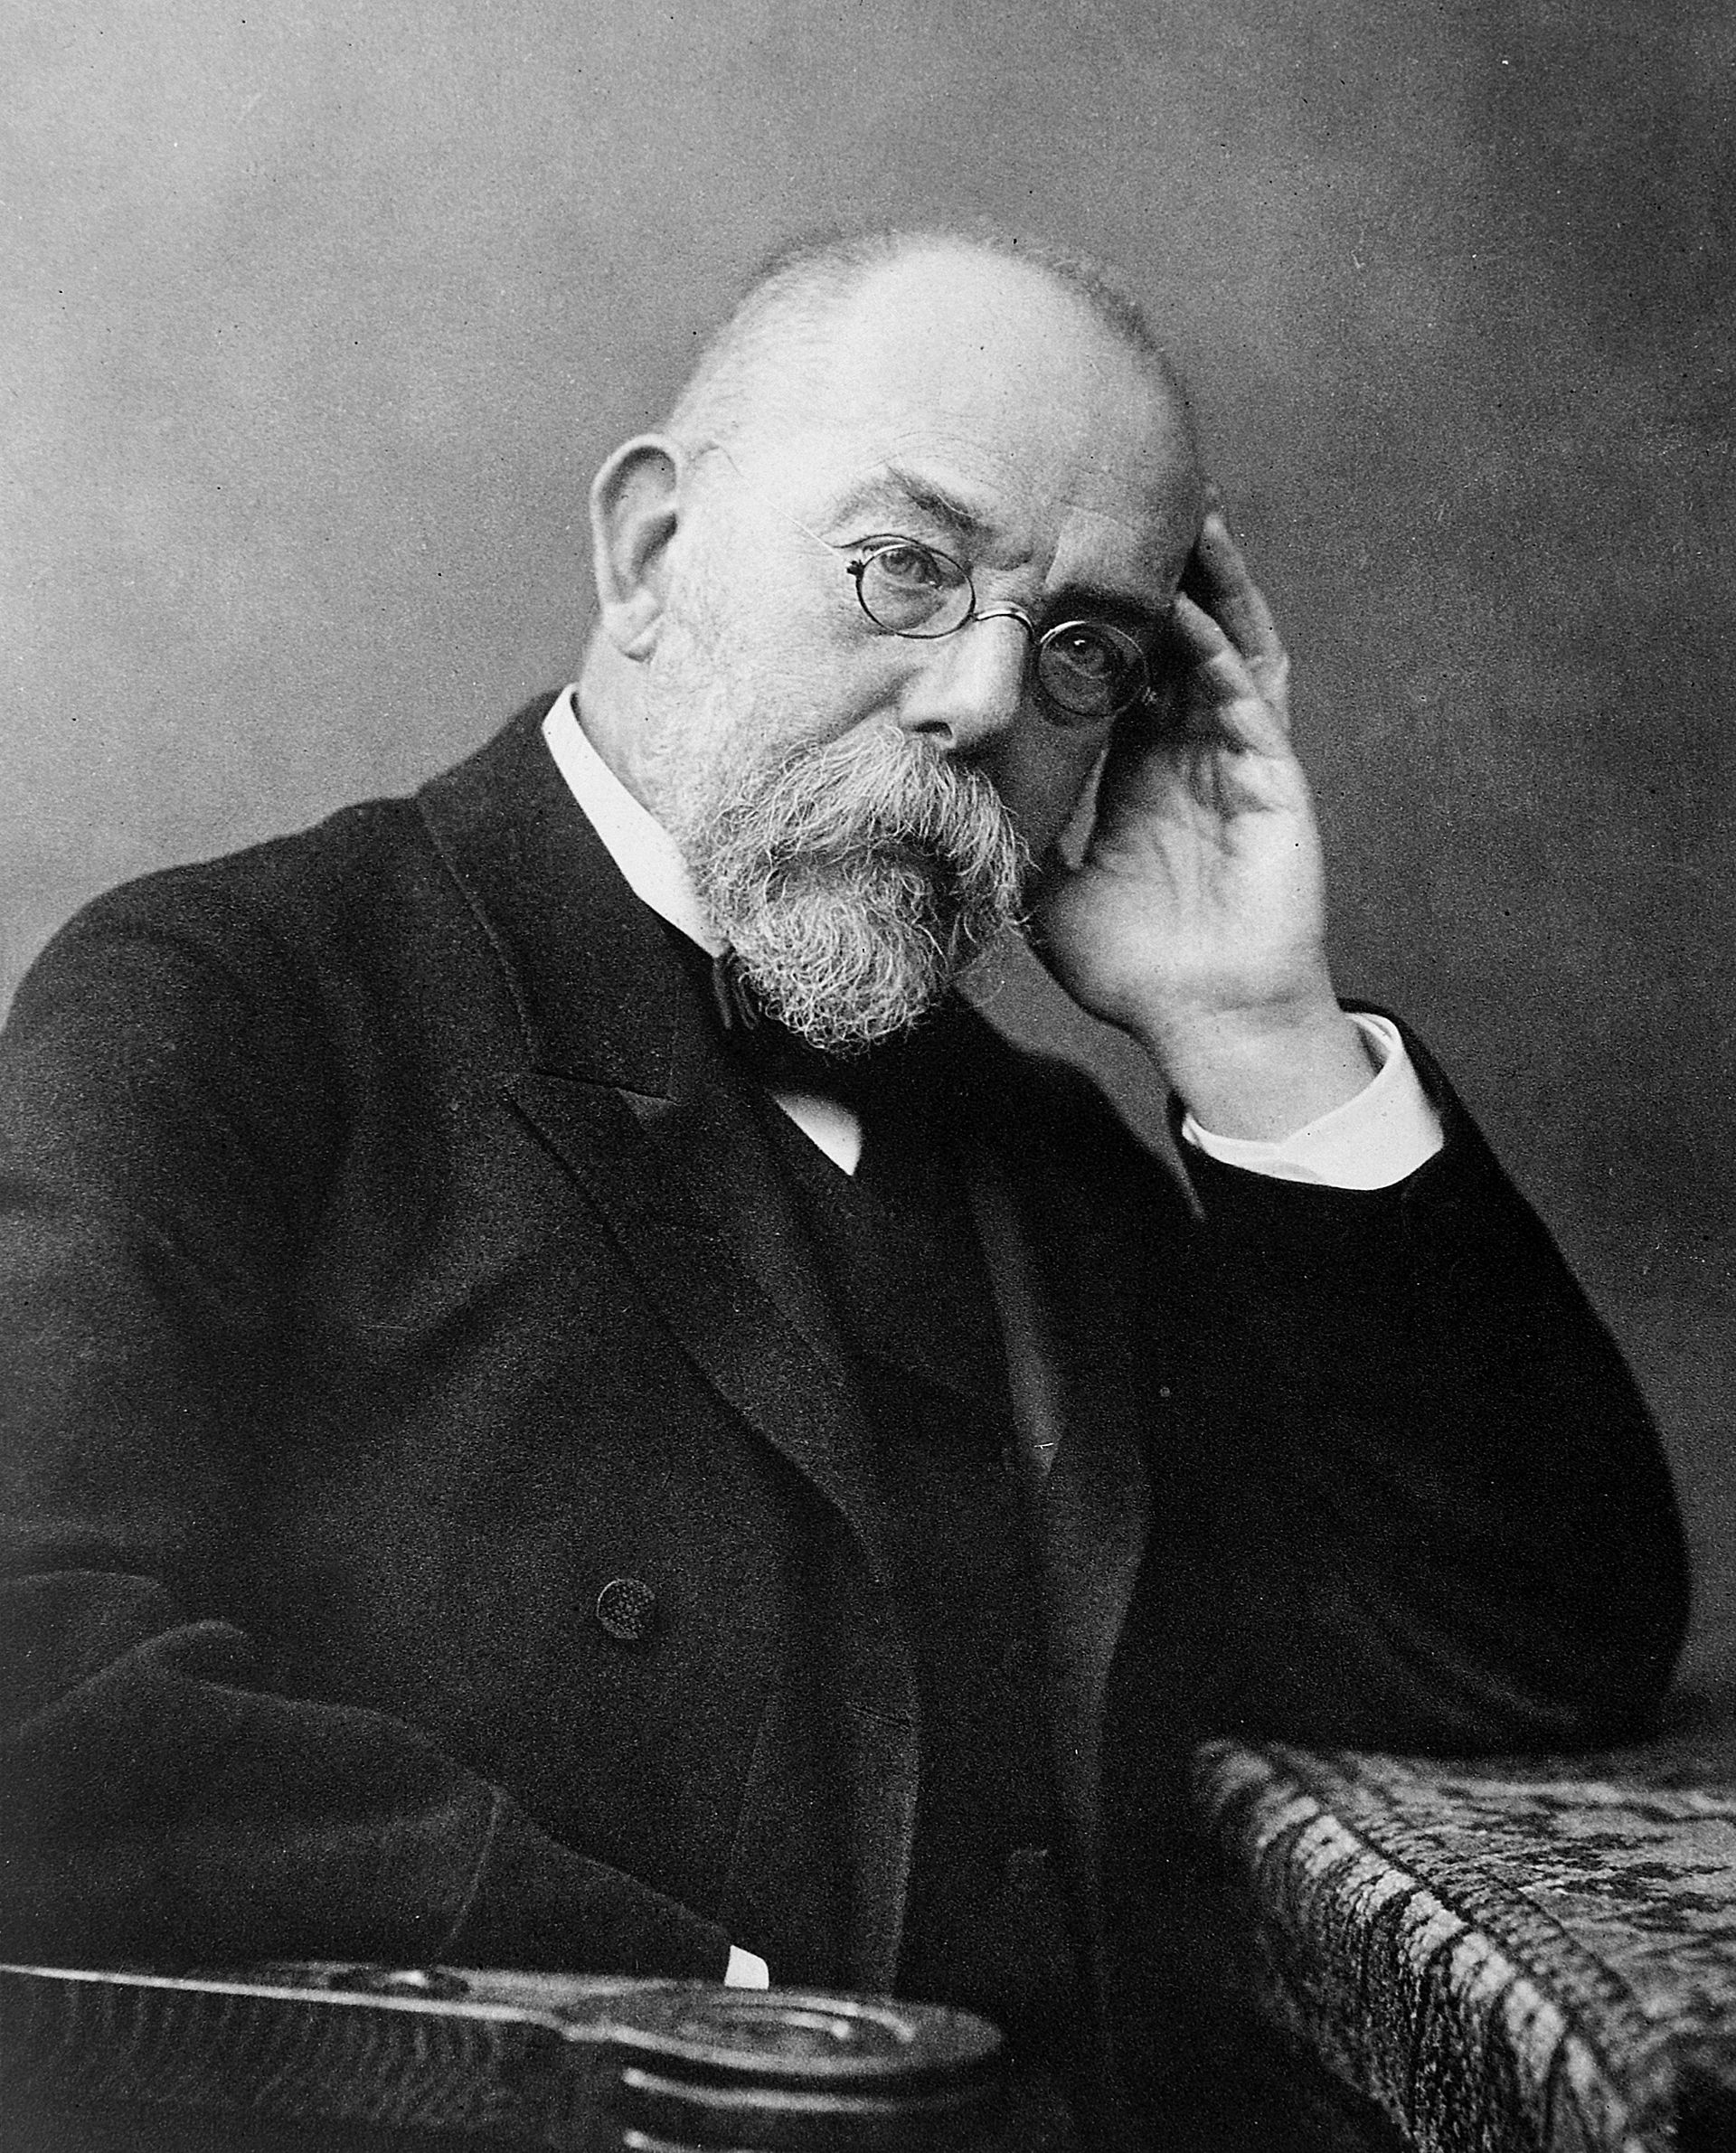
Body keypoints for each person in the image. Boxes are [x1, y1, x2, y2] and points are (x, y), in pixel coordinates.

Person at [0, 224, 1688, 2143]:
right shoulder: (237, 1004)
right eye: (907, 567)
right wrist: (738, 2044)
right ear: (651, 552)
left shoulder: (1048, 1168)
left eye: (1082, 648)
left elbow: (1527, 1646)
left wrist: (1257, 1031)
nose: (982, 702)